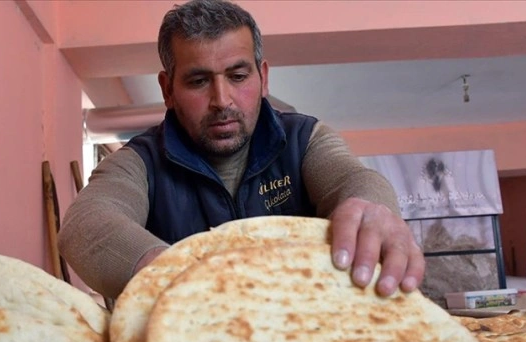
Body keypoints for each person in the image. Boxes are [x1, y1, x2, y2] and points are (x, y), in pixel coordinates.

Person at [58, 0, 425, 300]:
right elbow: (85, 224)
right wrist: (182, 280)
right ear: (168, 89)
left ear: (263, 77)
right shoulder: (140, 162)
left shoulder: (305, 139)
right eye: (198, 81)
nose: (222, 100)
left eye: (238, 77)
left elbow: (352, 179)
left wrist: (371, 207)